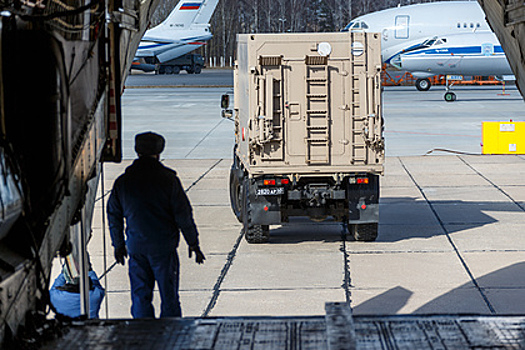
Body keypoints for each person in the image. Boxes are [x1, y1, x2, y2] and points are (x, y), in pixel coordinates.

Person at [107, 131, 205, 318]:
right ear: (160, 151)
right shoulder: (168, 180)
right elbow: (183, 215)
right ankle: (170, 336)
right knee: (169, 297)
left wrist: (118, 245)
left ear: (137, 150)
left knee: (140, 296)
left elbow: (113, 215)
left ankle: (143, 337)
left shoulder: (123, 182)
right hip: (163, 248)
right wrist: (193, 243)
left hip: (136, 247)